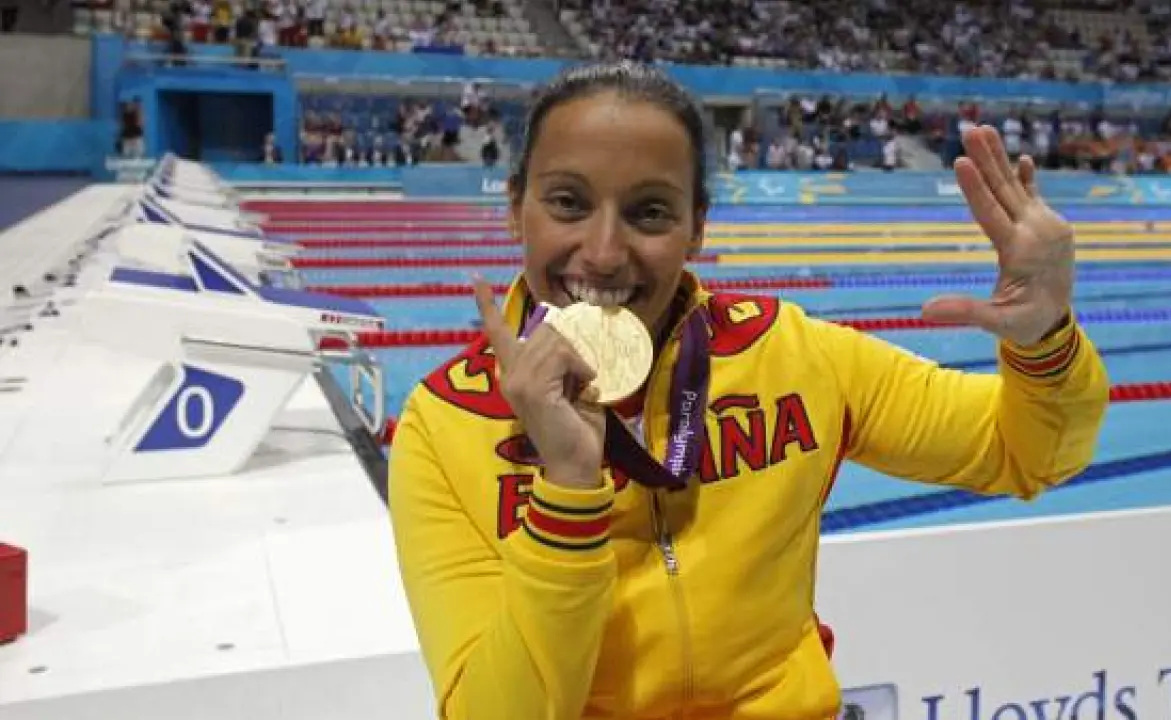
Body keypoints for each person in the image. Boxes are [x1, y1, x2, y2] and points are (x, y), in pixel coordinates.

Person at [389, 61, 1110, 719]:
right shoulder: (447, 423)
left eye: (649, 212)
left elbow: (1027, 454)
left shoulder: (791, 357)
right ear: (516, 208)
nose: (604, 254)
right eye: (568, 203)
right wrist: (569, 492)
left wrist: (1045, 342)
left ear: (697, 229)